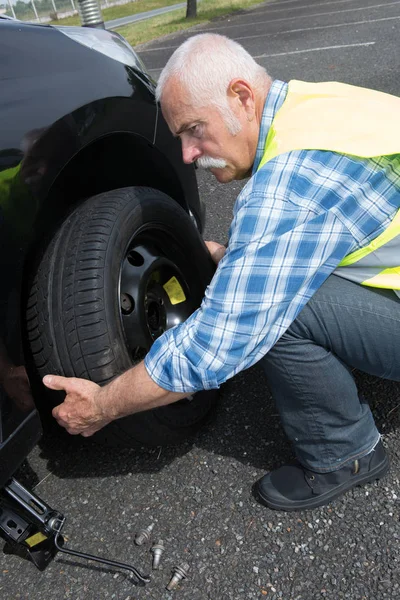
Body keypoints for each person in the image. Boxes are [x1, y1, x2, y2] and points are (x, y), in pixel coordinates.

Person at [43, 33, 400, 512]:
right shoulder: (318, 107)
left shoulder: (287, 183)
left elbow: (218, 341)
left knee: (277, 310)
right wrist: (239, 259)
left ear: (241, 96)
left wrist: (103, 406)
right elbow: (333, 219)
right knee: (263, 280)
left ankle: (343, 452)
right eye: (181, 139)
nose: (188, 154)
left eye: (194, 129)